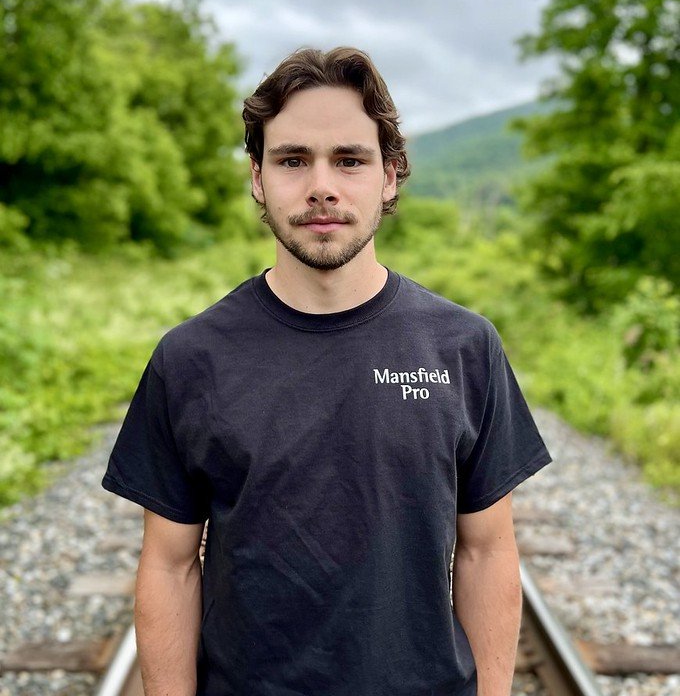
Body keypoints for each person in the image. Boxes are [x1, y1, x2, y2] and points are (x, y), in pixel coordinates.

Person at [102, 46, 552, 696]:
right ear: (258, 177)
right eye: (292, 160)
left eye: (349, 159)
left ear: (390, 175)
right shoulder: (191, 359)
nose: (322, 185)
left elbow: (486, 552)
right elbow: (170, 567)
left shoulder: (463, 347)